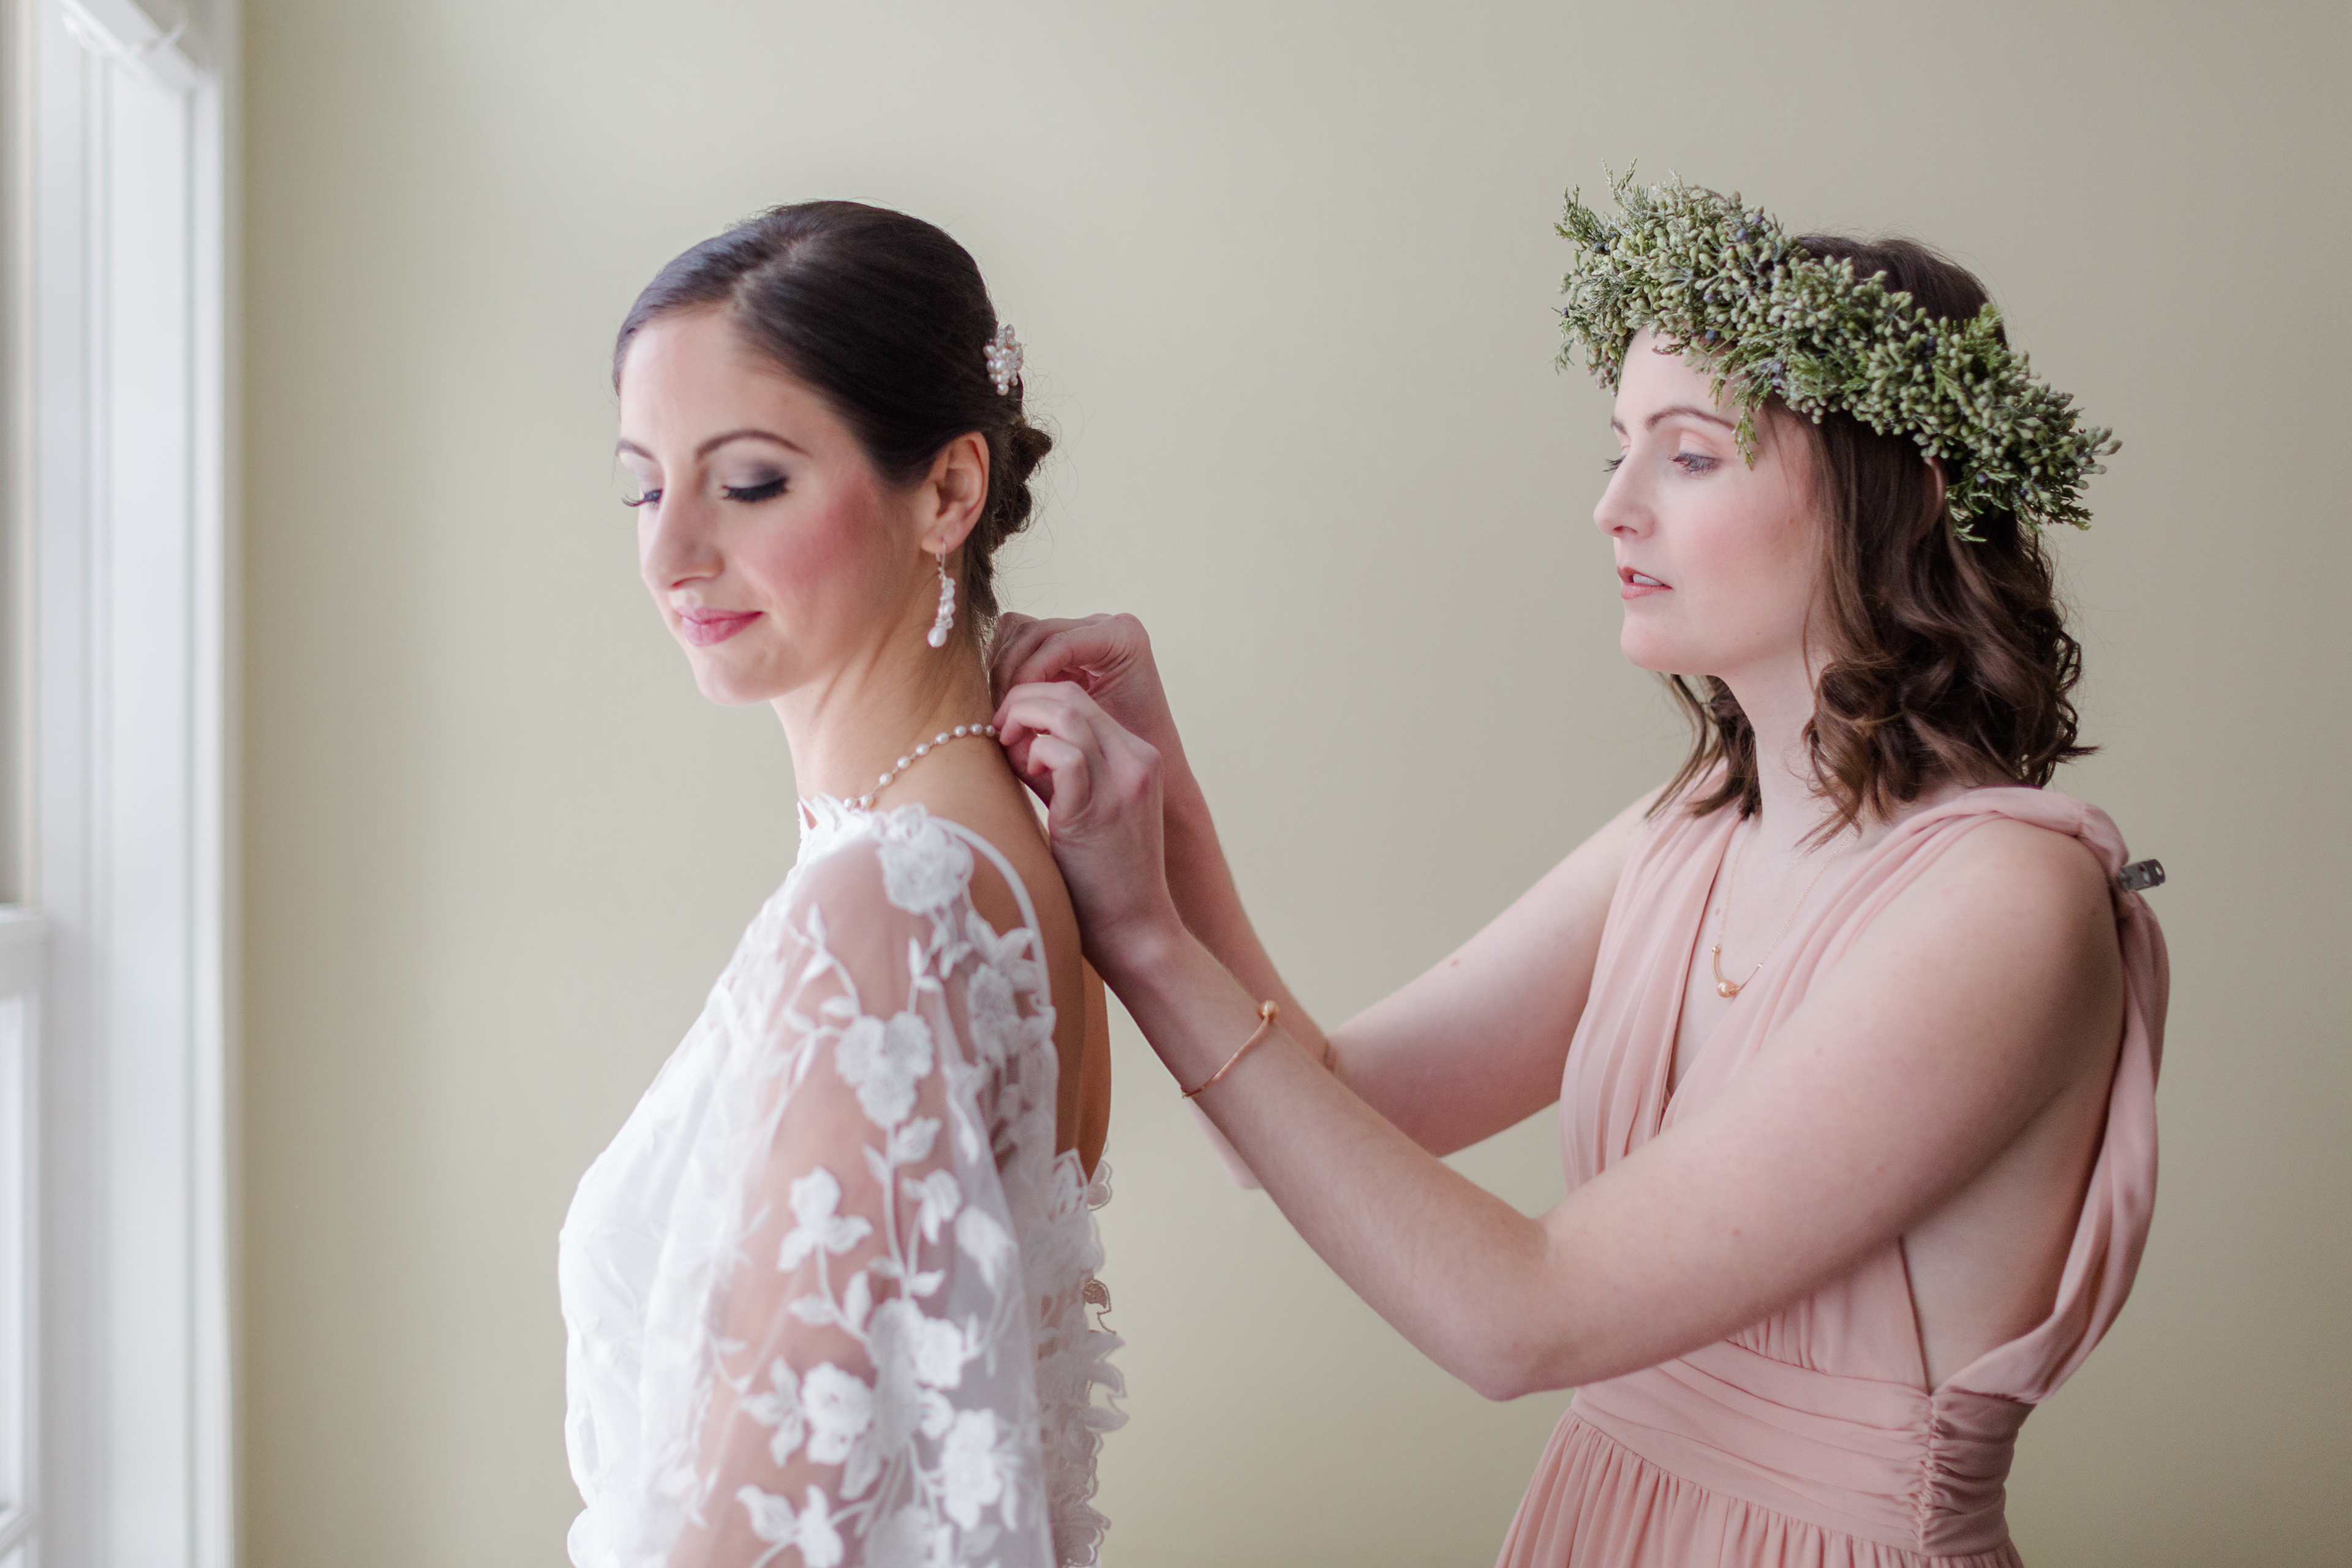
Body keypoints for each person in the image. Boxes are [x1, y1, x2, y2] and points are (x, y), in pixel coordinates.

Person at [989, 175, 2166, 1566]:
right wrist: (1164, 785)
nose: (1612, 505)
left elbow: (1518, 1319)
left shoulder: (2008, 903)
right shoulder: (1684, 833)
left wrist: (1137, 932)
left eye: (1690, 453)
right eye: (1618, 447)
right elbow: (1323, 1115)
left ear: (1901, 492)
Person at [559, 202, 1122, 1568]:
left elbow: (764, 1531)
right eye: (644, 484)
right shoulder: (986, 858)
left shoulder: (888, 906)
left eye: (748, 482)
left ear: (947, 492)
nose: (670, 549)